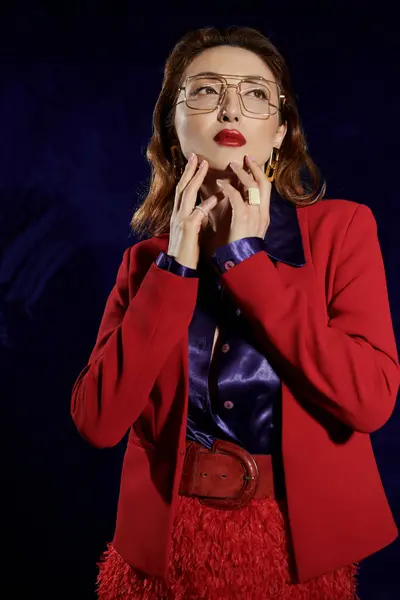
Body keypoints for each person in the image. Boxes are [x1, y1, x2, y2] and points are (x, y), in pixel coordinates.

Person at [70, 25, 399, 599]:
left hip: (295, 555)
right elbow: (98, 422)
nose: (229, 105)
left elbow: (369, 400)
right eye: (204, 90)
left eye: (254, 93)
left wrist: (248, 261)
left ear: (280, 132)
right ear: (173, 131)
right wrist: (175, 267)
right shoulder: (141, 264)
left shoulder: (343, 230)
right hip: (159, 562)